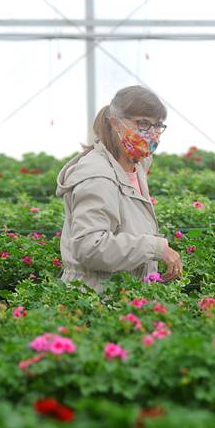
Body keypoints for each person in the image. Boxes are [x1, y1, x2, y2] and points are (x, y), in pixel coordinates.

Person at [56, 85, 182, 292]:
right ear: (115, 123)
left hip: (121, 293)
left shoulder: (135, 166)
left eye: (157, 125)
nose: (151, 133)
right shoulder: (97, 175)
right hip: (96, 299)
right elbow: (89, 247)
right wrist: (155, 248)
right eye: (142, 124)